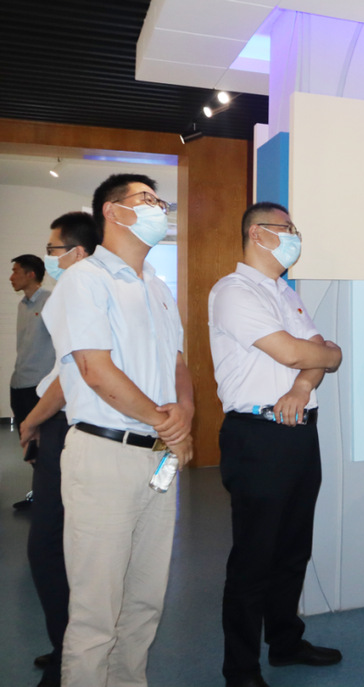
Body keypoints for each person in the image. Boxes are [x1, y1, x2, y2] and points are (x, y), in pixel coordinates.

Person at [41, 173, 194, 687]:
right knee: (96, 612)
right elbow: (94, 369)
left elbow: (178, 364)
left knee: (145, 602)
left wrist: (185, 414)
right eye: (146, 199)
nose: (158, 208)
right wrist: (166, 421)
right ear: (112, 210)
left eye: (159, 201)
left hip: (158, 457)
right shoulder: (84, 279)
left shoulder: (157, 286)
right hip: (104, 454)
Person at [208, 202, 344, 687]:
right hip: (258, 436)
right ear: (257, 233)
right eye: (286, 229)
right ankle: (241, 668)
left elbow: (331, 355)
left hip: (299, 429)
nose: (293, 237)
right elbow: (293, 351)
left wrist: (303, 385)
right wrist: (314, 357)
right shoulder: (233, 290)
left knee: (292, 548)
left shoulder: (286, 292)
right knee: (254, 557)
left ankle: (285, 642)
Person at [17, 212, 99, 687]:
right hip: (63, 425)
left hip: (68, 425)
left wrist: (32, 421)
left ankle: (71, 656)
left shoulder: (76, 291)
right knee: (61, 546)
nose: (48, 258)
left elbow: (73, 375)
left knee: (50, 547)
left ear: (77, 252)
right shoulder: (80, 290)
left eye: (52, 250)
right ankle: (68, 646)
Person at [9, 253, 55, 510]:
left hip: (39, 387)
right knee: (29, 444)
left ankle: (49, 497)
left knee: (44, 444)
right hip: (19, 384)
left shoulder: (50, 301)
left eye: (16, 271)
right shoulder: (22, 305)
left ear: (31, 274)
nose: (11, 277)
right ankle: (40, 492)